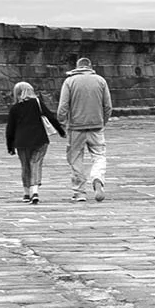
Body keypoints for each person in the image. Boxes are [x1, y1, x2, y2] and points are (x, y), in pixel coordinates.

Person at [56, 54, 114, 201]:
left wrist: (61, 124)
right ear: (90, 67)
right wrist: (102, 121)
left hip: (76, 127)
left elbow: (63, 107)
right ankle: (97, 179)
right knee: (99, 156)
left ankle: (79, 192)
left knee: (75, 158)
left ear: (77, 67)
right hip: (96, 126)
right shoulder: (101, 81)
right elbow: (108, 106)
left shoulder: (69, 81)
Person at [4, 79, 65, 203]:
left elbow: (10, 129)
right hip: (40, 139)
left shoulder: (15, 108)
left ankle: (26, 194)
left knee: (25, 166)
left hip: (21, 142)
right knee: (36, 163)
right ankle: (35, 191)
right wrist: (61, 131)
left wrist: (10, 146)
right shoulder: (37, 103)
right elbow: (50, 117)